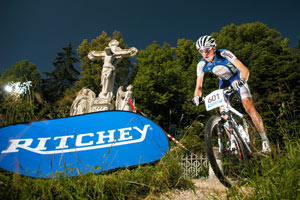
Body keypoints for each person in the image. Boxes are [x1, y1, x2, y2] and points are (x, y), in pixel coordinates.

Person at [192, 35, 271, 153]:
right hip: (224, 82)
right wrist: (197, 97)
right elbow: (198, 86)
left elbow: (244, 70)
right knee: (223, 112)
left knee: (248, 107)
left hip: (237, 77)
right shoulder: (201, 64)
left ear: (214, 48)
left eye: (207, 49)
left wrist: (242, 81)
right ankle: (233, 141)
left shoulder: (224, 54)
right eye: (201, 51)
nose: (205, 53)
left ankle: (264, 139)